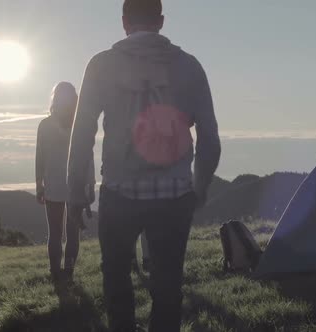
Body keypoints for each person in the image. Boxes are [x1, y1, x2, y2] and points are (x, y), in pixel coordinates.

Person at [67, 0, 221, 330]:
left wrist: (75, 192)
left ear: (124, 22)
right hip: (174, 195)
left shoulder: (100, 65)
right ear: (161, 21)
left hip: (119, 192)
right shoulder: (189, 66)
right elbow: (210, 137)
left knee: (117, 280)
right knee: (168, 286)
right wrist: (200, 186)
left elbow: (82, 134)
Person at [35, 82, 95, 286]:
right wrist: (91, 184)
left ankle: (55, 273)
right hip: (76, 186)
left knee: (54, 233)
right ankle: (68, 272)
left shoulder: (44, 125)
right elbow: (88, 157)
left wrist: (38, 185)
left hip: (53, 185)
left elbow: (39, 158)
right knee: (72, 234)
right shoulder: (81, 124)